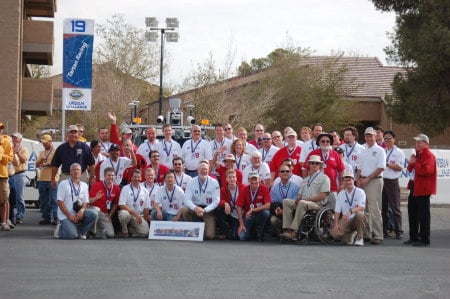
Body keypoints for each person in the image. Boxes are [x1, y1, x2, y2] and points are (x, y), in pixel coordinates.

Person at [280, 155, 330, 240]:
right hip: (304, 203)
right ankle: (287, 229)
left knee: (302, 203)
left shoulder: (324, 178)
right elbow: (300, 195)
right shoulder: (305, 179)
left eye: (317, 163)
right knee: (286, 201)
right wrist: (298, 199)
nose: (314, 165)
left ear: (320, 166)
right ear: (309, 165)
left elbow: (324, 195)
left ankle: (294, 231)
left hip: (317, 204)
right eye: (312, 163)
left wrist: (308, 200)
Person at [404, 134, 436, 247]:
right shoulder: (418, 154)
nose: (417, 144)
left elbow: (427, 171)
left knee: (423, 214)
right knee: (412, 211)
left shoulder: (428, 155)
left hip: (423, 187)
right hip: (415, 185)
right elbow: (410, 169)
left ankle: (424, 239)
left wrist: (414, 163)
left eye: (419, 142)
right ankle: (414, 236)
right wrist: (411, 163)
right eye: (416, 142)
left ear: (426, 143)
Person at [356, 127, 386, 245]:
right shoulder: (363, 150)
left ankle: (378, 235)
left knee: (375, 209)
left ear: (375, 136)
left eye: (371, 136)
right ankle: (367, 234)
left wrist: (368, 178)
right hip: (363, 181)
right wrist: (358, 178)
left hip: (374, 180)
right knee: (365, 208)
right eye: (367, 136)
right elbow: (359, 166)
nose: (369, 138)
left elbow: (381, 167)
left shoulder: (380, 150)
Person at [54, 163, 98, 239]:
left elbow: (85, 201)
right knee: (72, 235)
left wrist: (82, 210)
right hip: (66, 215)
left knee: (93, 213)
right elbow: (60, 202)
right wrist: (69, 216)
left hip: (78, 213)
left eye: (78, 170)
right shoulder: (63, 184)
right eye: (74, 170)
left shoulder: (84, 185)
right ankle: (60, 230)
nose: (76, 171)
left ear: (81, 172)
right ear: (70, 172)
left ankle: (81, 232)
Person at [181, 160, 220, 240]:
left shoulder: (214, 182)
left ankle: (201, 230)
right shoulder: (191, 182)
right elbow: (186, 199)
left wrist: (204, 210)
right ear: (197, 170)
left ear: (208, 170)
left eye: (205, 169)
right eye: (201, 169)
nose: (203, 171)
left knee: (209, 236)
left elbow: (216, 201)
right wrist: (195, 208)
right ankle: (191, 230)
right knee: (185, 210)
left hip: (208, 209)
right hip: (195, 207)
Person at [382, 130, 405, 239]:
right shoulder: (382, 151)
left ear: (394, 139)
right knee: (383, 208)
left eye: (389, 138)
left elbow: (400, 167)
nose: (387, 140)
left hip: (392, 181)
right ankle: (385, 230)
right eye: (385, 138)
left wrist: (387, 164)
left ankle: (398, 230)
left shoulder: (398, 152)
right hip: (382, 181)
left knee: (395, 207)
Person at [332, 171, 366, 246]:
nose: (348, 182)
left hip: (356, 218)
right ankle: (351, 234)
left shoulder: (360, 192)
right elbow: (337, 211)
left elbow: (362, 207)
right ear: (343, 181)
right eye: (346, 180)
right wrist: (336, 224)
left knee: (359, 214)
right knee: (335, 234)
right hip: (346, 220)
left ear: (353, 180)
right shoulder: (341, 194)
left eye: (350, 180)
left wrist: (350, 212)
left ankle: (360, 238)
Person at [236, 172, 271, 241]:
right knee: (242, 237)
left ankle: (260, 231)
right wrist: (241, 224)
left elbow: (268, 205)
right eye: (252, 179)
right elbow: (239, 206)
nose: (254, 181)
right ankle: (253, 232)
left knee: (266, 213)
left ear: (259, 179)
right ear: (248, 180)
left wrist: (252, 210)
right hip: (248, 216)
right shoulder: (244, 189)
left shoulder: (264, 188)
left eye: (256, 179)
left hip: (259, 215)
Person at [89, 167, 120, 238]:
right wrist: (95, 198)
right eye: (109, 175)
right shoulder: (96, 185)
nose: (111, 177)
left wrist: (110, 215)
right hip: (94, 210)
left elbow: (116, 203)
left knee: (111, 234)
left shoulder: (116, 188)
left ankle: (97, 232)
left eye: (112, 175)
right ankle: (92, 231)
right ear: (104, 176)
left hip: (104, 213)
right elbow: (88, 201)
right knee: (96, 210)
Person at [270, 165, 300, 237]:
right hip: (280, 212)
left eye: (287, 171)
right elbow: (274, 202)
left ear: (290, 173)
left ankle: (290, 231)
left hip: (293, 213)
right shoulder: (274, 188)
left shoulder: (296, 187)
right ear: (279, 173)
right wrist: (278, 209)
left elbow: (295, 203)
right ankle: (280, 232)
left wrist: (285, 211)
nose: (285, 173)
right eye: (282, 171)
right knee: (273, 219)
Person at [118, 169, 150, 237]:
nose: (137, 179)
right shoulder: (125, 188)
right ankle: (124, 229)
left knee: (145, 232)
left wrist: (145, 220)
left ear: (141, 178)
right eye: (135, 177)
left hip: (139, 215)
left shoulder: (145, 191)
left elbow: (146, 208)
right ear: (131, 178)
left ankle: (131, 229)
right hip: (128, 213)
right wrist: (135, 214)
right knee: (123, 214)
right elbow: (122, 205)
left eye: (138, 177)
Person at [36, 134, 59, 225]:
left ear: (50, 141)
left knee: (54, 199)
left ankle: (55, 217)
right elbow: (37, 165)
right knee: (43, 200)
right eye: (43, 143)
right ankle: (46, 217)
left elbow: (57, 163)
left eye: (46, 143)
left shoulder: (56, 151)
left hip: (53, 179)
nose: (44, 144)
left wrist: (47, 163)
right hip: (42, 178)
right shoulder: (42, 152)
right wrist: (40, 161)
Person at [216, 169, 243, 240]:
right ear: (226, 179)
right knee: (219, 209)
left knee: (235, 236)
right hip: (230, 212)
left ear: (236, 178)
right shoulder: (223, 189)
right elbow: (219, 200)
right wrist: (225, 203)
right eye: (230, 177)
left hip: (241, 213)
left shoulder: (243, 188)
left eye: (233, 177)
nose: (232, 179)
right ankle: (225, 231)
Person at [10, 132, 29, 224]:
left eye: (16, 138)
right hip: (10, 174)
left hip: (19, 174)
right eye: (12, 138)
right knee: (10, 196)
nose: (13, 139)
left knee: (19, 196)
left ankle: (20, 215)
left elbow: (23, 160)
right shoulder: (9, 148)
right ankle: (10, 215)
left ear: (20, 140)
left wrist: (16, 152)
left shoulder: (23, 149)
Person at [0, 122, 14, 231]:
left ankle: (4, 222)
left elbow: (10, 158)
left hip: (2, 175)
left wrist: (1, 156)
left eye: (1, 128)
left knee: (4, 200)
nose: (0, 130)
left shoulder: (7, 141)